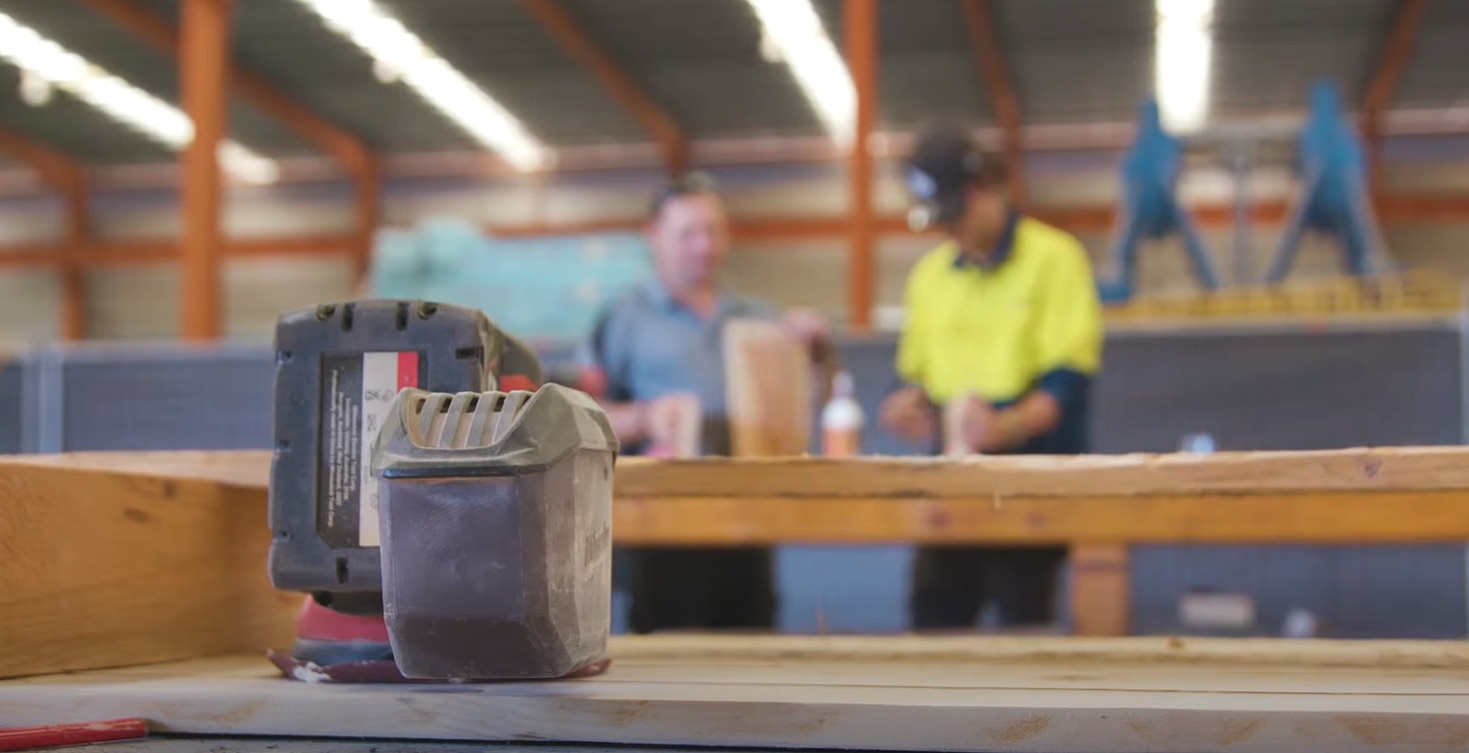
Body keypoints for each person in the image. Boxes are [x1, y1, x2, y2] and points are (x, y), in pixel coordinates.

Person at [580, 170, 830, 634]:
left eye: (713, 231)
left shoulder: (760, 318)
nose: (703, 246)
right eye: (687, 233)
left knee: (751, 654)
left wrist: (808, 351)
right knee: (665, 663)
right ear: (653, 237)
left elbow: (812, 409)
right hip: (659, 529)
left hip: (748, 521)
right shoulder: (623, 317)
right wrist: (647, 417)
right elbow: (583, 419)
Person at [879, 124, 1103, 631]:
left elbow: (1066, 384)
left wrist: (1005, 428)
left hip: (1029, 487)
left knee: (1023, 636)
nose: (948, 231)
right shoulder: (930, 277)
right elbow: (912, 373)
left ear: (985, 191)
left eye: (955, 216)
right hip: (950, 485)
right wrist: (906, 403)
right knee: (932, 628)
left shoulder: (1055, 259)